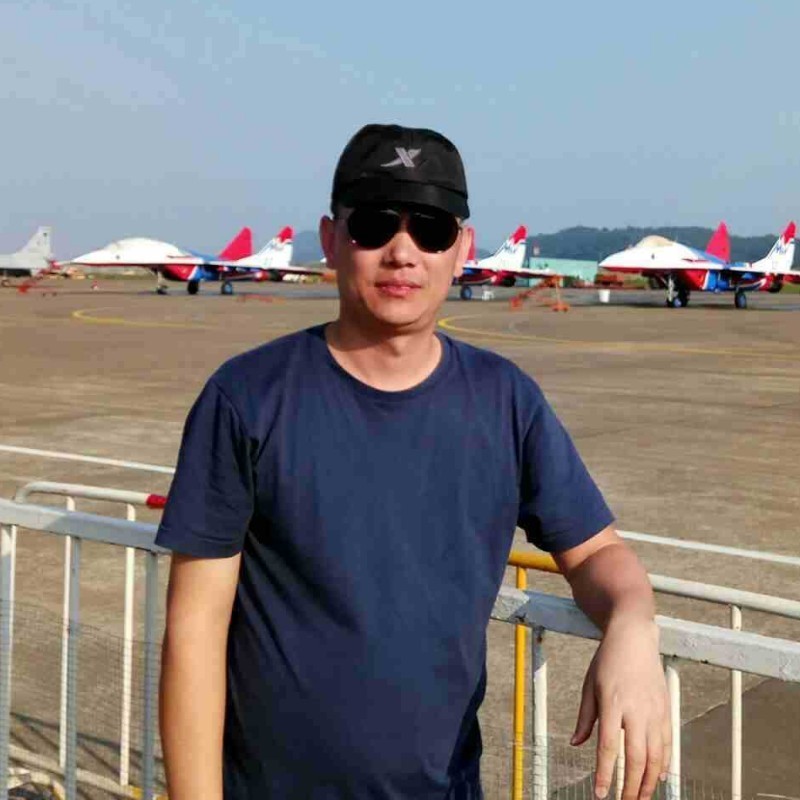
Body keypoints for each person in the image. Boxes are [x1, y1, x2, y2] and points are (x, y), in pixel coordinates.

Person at [157, 123, 670, 800]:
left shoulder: (505, 401)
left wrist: (633, 625)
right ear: (332, 238)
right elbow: (195, 630)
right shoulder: (247, 399)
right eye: (374, 225)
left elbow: (596, 551)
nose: (402, 252)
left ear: (461, 249)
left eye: (430, 229)